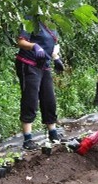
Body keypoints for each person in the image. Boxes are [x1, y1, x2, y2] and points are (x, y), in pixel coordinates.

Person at [15, 16, 64, 150]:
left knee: (49, 99)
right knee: (30, 99)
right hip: (28, 64)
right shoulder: (31, 20)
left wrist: (56, 58)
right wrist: (34, 46)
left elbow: (53, 44)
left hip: (44, 65)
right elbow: (21, 42)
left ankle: (53, 133)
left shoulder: (52, 24)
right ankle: (28, 139)